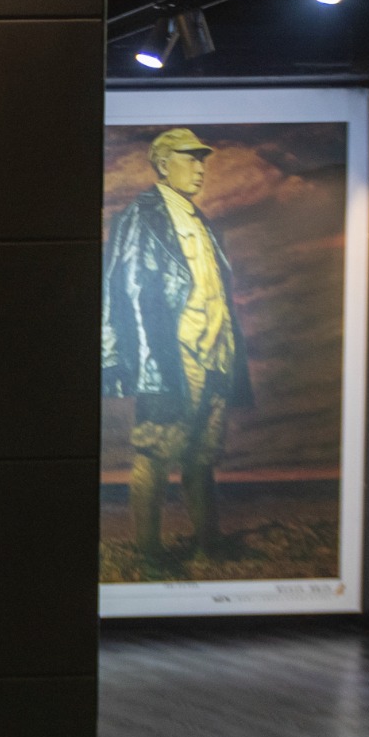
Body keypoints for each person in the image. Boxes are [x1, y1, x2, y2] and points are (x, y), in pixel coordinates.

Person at [103, 127, 252, 562]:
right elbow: (123, 289)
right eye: (191, 158)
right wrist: (131, 359)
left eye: (202, 159)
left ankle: (210, 543)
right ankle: (149, 553)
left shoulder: (200, 221)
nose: (201, 167)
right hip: (172, 358)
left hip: (216, 354)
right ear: (164, 165)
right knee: (154, 452)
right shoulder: (141, 217)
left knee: (202, 455)